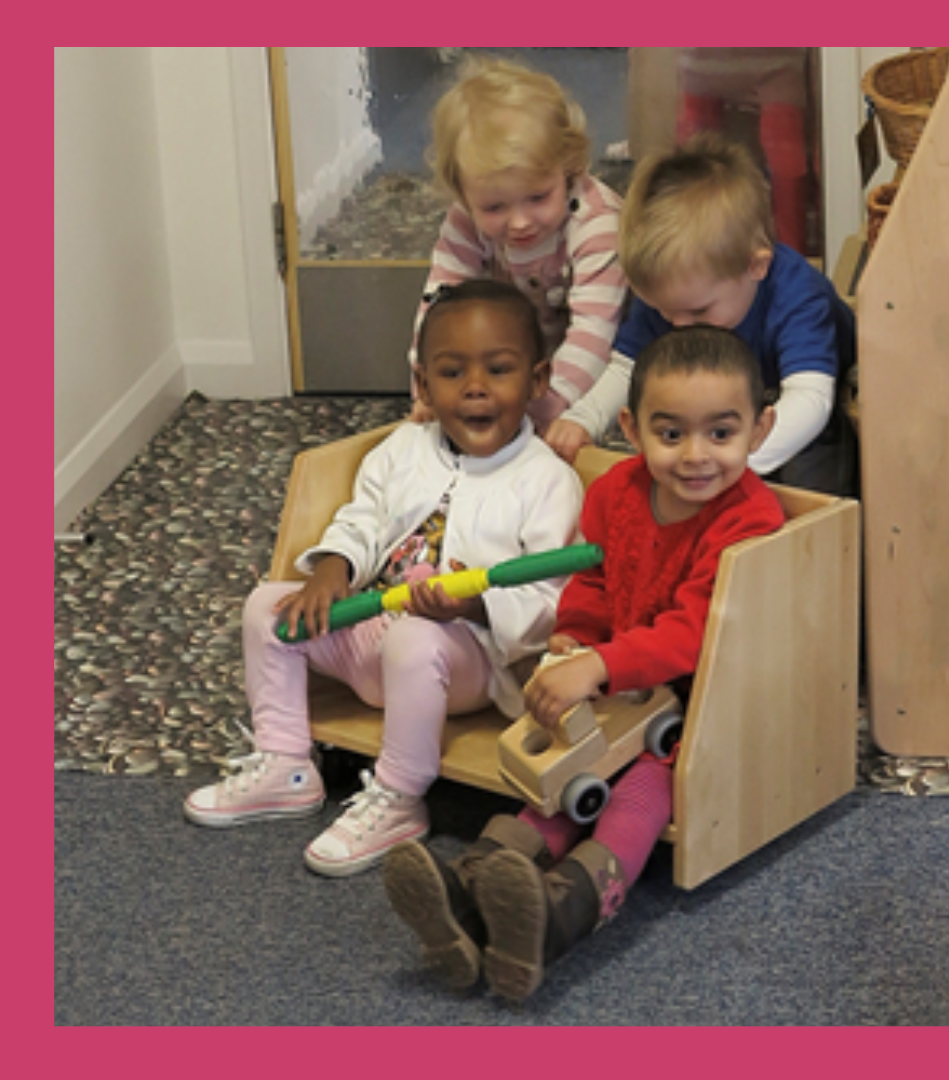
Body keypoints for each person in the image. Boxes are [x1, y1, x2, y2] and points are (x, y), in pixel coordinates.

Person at [384, 324, 786, 1001]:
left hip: (698, 712)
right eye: (670, 434)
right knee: (564, 780)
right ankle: (479, 884)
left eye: (721, 433)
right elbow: (594, 584)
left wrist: (600, 663)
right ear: (630, 427)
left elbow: (698, 631)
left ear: (760, 426)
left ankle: (562, 911)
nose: (696, 457)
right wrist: (574, 637)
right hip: (617, 689)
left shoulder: (748, 519)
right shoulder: (616, 495)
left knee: (642, 791)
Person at [184, 281, 583, 878]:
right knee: (267, 608)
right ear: (422, 385)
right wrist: (331, 570)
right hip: (374, 633)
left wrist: (472, 608)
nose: (475, 387)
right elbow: (362, 520)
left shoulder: (547, 481)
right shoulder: (403, 448)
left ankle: (400, 796)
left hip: (462, 659)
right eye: (452, 372)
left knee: (414, 639)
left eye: (498, 369)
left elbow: (551, 599)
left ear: (537, 378)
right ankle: (286, 760)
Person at [545, 134, 858, 498]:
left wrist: (738, 463)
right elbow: (627, 366)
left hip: (805, 399)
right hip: (724, 405)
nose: (678, 326)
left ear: (755, 266)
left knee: (811, 482)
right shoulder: (678, 292)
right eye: (664, 311)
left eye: (698, 311)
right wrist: (584, 418)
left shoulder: (797, 294)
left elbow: (810, 398)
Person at [406, 57, 627, 437]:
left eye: (539, 197)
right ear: (463, 193)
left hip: (601, 366)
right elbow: (440, 306)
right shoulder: (464, 221)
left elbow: (594, 331)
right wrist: (428, 389)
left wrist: (541, 409)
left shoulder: (596, 222)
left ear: (568, 166)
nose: (520, 222)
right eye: (494, 207)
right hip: (520, 364)